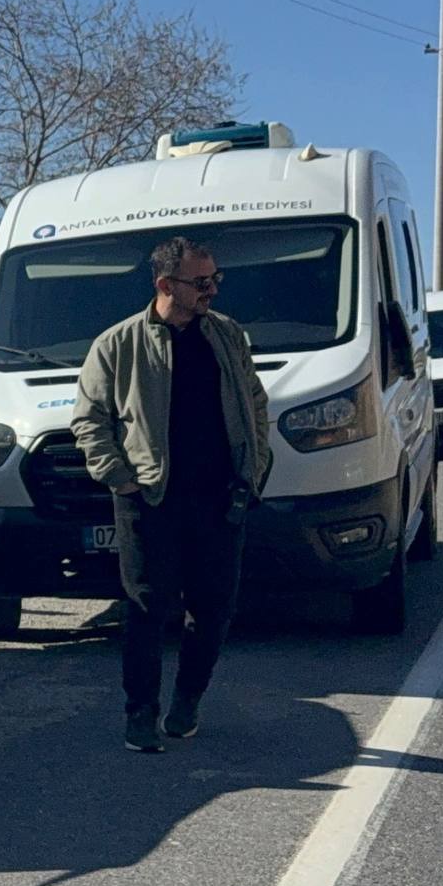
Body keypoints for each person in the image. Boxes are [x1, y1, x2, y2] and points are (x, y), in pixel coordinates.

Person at [70, 236, 272, 753]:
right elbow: (89, 418)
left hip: (220, 497)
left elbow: (254, 402)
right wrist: (119, 476)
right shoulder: (116, 344)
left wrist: (255, 468)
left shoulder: (226, 336)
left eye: (215, 280)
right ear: (165, 285)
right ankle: (140, 713)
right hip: (149, 499)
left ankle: (188, 699)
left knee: (215, 609)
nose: (212, 291)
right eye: (201, 283)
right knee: (145, 606)